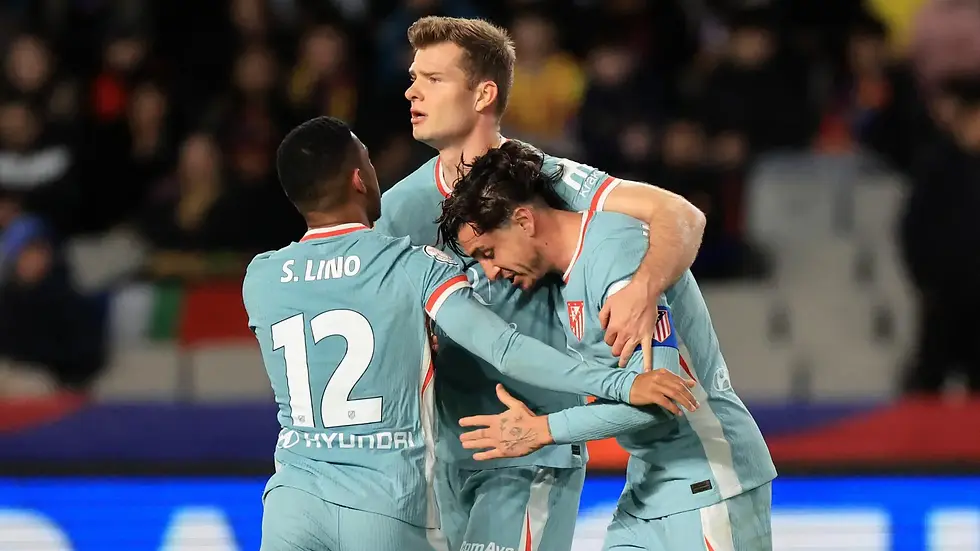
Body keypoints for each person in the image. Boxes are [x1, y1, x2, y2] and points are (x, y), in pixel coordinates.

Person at [244, 117, 698, 551]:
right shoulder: (409, 264)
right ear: (359, 178)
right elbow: (504, 347)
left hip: (293, 499)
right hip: (382, 501)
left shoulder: (260, 278)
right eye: (367, 158)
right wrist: (620, 382)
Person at [375, 16, 707, 550]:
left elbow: (681, 216)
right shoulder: (396, 210)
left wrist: (644, 287)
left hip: (532, 452)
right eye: (413, 77)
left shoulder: (546, 182)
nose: (412, 91)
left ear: (484, 93)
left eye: (433, 79)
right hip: (444, 459)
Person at [437, 141, 778, 551]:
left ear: (524, 220)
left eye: (489, 253)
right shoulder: (567, 278)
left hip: (708, 482)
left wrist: (542, 430)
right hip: (649, 488)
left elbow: (660, 396)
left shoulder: (615, 253)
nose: (490, 271)